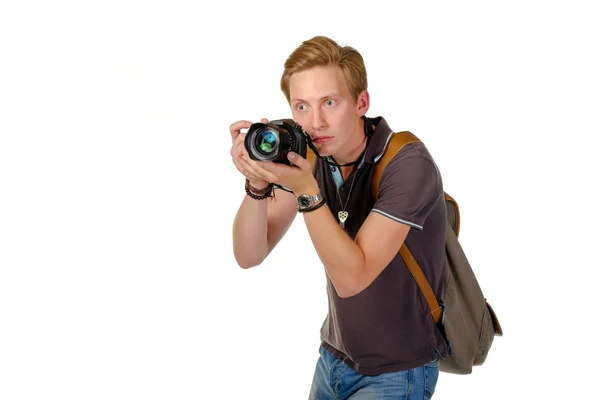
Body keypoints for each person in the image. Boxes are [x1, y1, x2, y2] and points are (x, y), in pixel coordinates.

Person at [229, 36, 448, 400]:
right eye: (301, 107)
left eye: (329, 103)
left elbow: (352, 278)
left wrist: (306, 191)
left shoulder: (408, 165)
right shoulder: (310, 158)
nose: (315, 123)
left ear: (361, 102)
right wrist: (256, 184)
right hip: (333, 357)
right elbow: (249, 254)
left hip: (397, 371)